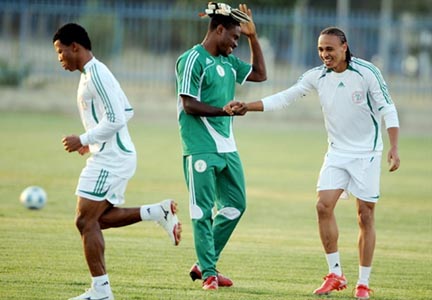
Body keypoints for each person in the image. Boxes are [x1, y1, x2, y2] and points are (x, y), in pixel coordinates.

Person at [227, 27, 400, 299]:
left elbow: (387, 108)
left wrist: (394, 147)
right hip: (336, 153)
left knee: (365, 215)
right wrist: (249, 105)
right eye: (320, 49)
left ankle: (363, 283)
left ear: (344, 47)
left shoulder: (367, 72)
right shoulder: (316, 76)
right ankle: (335, 274)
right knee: (322, 206)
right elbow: (286, 97)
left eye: (329, 49)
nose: (324, 54)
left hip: (367, 154)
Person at [53, 23, 182, 300]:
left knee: (85, 221)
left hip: (112, 159)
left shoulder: (96, 74)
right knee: (92, 221)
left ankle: (101, 292)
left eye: (60, 51)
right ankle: (158, 212)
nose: (59, 58)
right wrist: (94, 142)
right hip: (109, 154)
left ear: (74, 46)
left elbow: (117, 118)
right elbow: (127, 109)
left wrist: (85, 138)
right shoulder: (92, 73)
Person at [175, 2, 266, 290]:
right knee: (201, 211)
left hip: (227, 147)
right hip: (200, 146)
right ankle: (210, 273)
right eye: (235, 37)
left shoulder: (228, 62)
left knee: (236, 206)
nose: (235, 44)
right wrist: (224, 111)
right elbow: (188, 104)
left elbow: (260, 74)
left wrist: (253, 37)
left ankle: (204, 263)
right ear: (219, 29)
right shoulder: (192, 59)